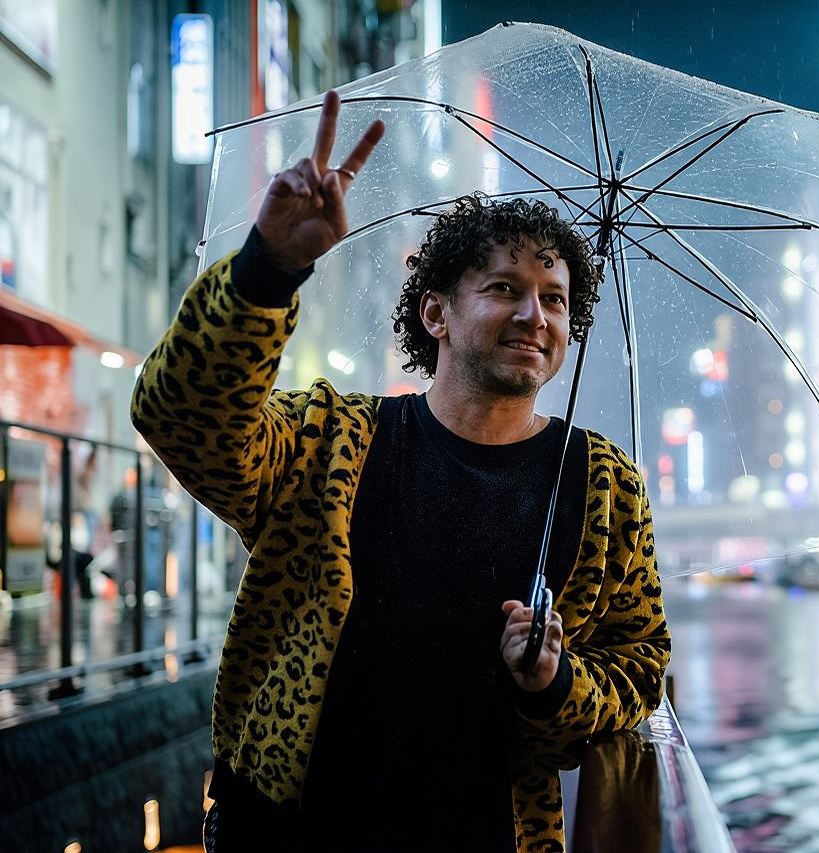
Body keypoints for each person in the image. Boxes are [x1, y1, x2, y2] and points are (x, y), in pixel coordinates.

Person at [131, 91, 670, 852]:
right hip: (289, 833)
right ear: (436, 313)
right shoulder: (332, 441)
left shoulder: (607, 485)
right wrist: (268, 268)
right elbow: (180, 416)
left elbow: (639, 665)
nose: (535, 317)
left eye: (555, 299)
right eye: (504, 289)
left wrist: (554, 681)